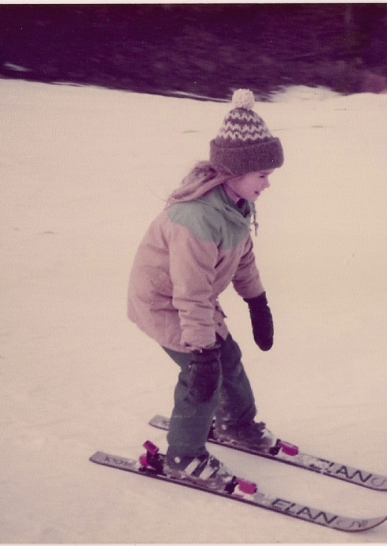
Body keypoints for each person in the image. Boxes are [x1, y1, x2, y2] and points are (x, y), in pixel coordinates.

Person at [127, 89, 283, 490]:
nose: (268, 185)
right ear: (235, 172)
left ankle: (236, 423)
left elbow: (242, 257)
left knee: (227, 359)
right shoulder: (195, 219)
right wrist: (200, 351)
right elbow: (190, 295)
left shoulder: (234, 206)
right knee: (204, 374)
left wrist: (257, 302)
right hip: (166, 304)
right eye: (263, 175)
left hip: (193, 301)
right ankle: (184, 456)